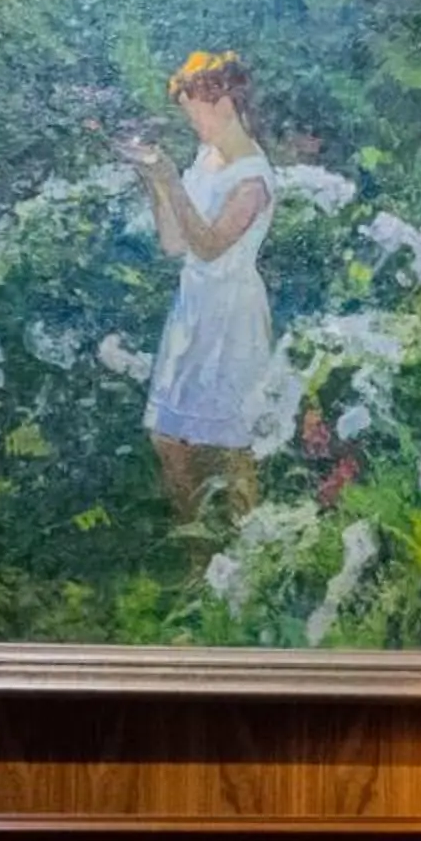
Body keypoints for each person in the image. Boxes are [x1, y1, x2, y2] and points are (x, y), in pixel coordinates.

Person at [116, 49, 277, 521]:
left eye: (196, 112)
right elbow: (174, 244)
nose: (193, 124)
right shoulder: (207, 159)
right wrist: (153, 181)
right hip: (194, 306)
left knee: (234, 446)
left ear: (224, 103)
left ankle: (245, 543)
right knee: (169, 437)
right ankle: (194, 540)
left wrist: (170, 180)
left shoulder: (252, 178)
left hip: (232, 312)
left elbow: (209, 247)